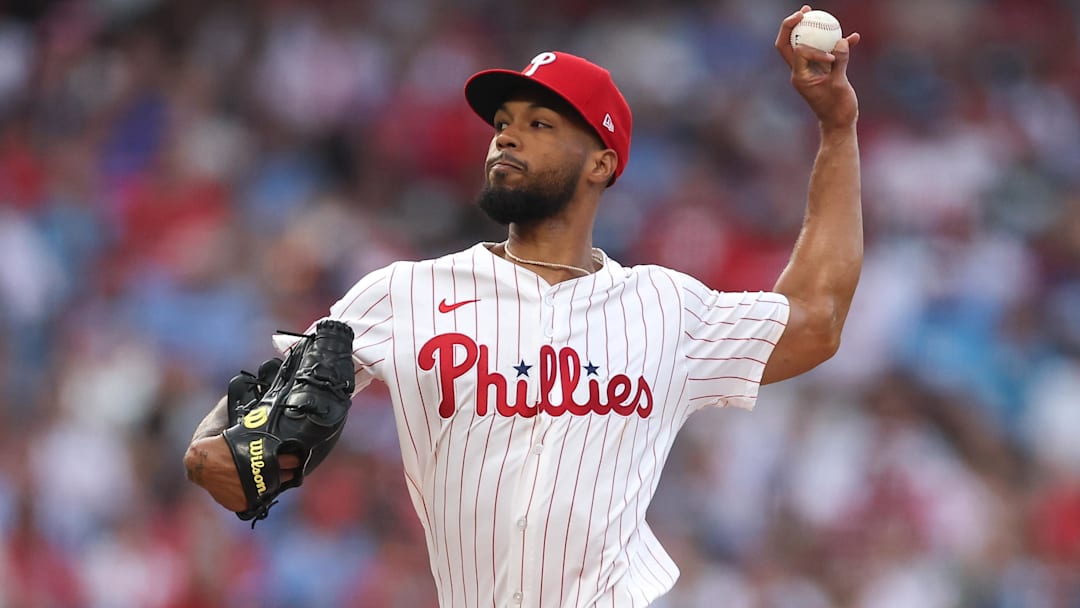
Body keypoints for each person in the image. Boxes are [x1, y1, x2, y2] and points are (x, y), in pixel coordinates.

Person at [184, 6, 862, 606]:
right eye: (503, 123)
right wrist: (233, 455)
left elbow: (817, 319)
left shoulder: (665, 309)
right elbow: (228, 469)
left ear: (601, 162)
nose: (506, 137)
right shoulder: (400, 293)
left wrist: (837, 130)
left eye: (539, 123)